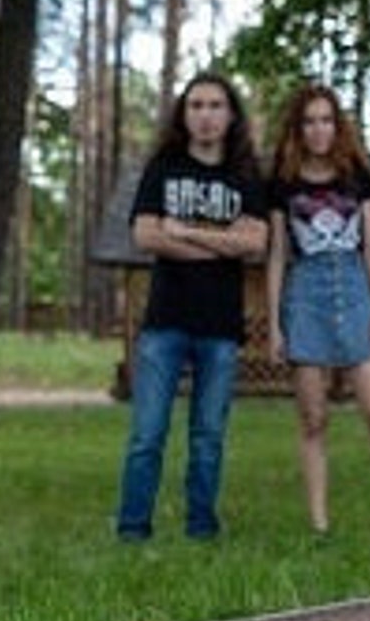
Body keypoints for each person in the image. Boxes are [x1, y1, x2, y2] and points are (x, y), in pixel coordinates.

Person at [115, 73, 269, 542]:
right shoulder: (164, 166)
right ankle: (133, 528)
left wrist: (185, 233)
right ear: (184, 114)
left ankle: (201, 527)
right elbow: (144, 235)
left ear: (230, 115)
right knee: (147, 434)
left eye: (216, 105)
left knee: (208, 436)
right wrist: (223, 243)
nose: (206, 115)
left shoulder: (244, 174)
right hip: (165, 322)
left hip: (220, 326)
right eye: (196, 105)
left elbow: (257, 242)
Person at [266, 83, 370, 537]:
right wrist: (275, 323)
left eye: (326, 120)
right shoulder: (283, 181)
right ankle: (319, 525)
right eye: (309, 121)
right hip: (306, 294)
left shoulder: (356, 175)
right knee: (313, 419)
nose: (318, 130)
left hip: (352, 290)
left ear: (338, 125)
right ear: (298, 128)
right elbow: (277, 255)